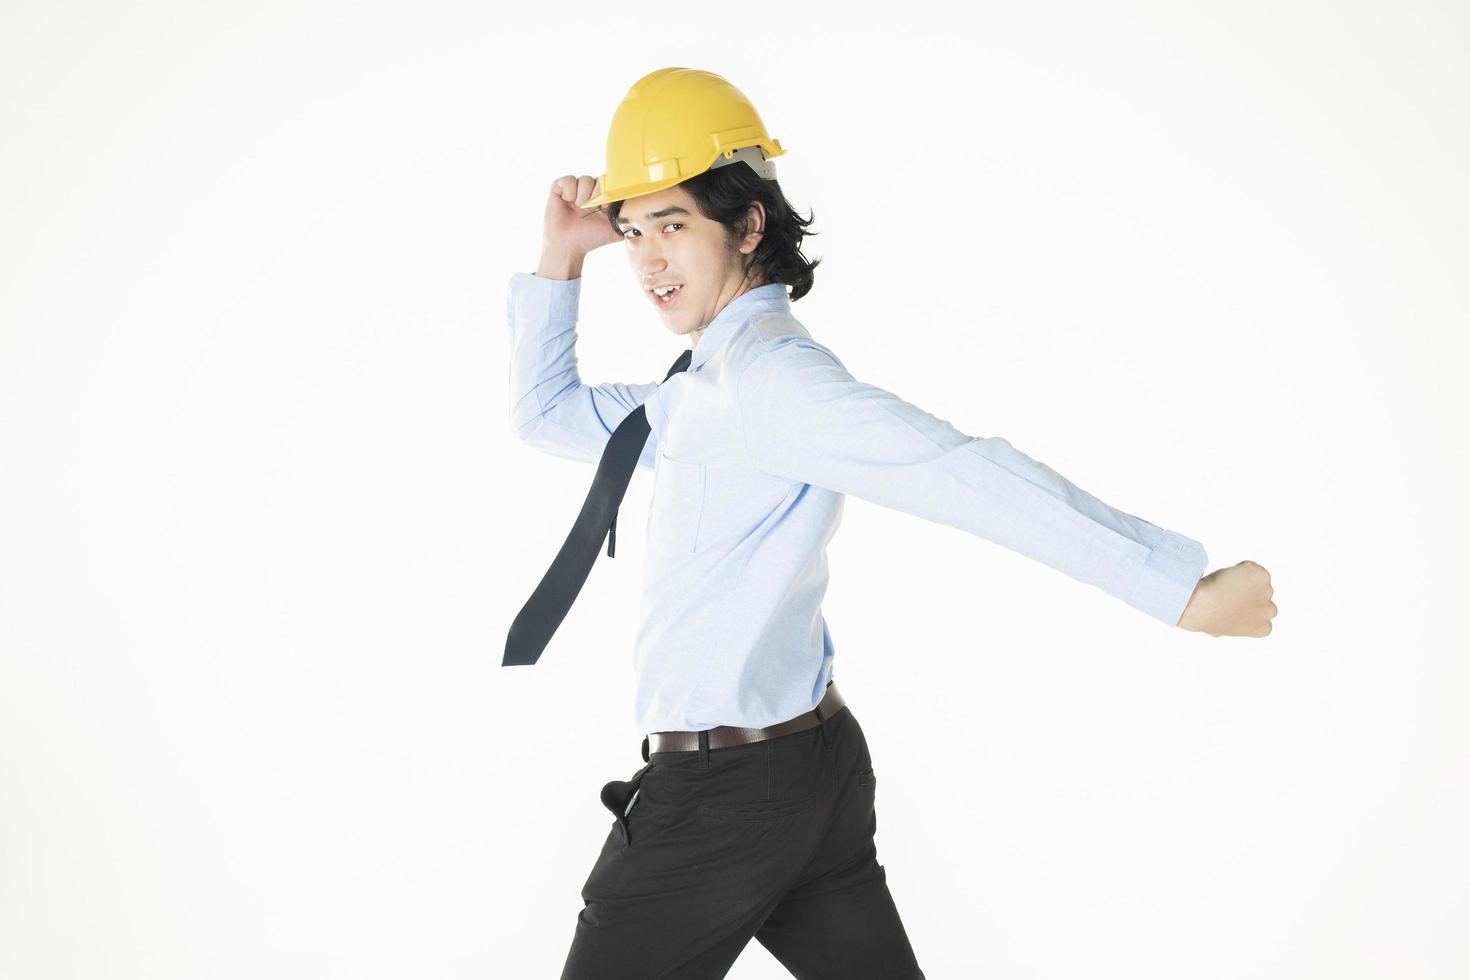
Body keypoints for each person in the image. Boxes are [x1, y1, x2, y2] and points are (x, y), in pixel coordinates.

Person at [507, 67, 1276, 980]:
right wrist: (563, 257)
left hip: (723, 799)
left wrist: (1177, 588)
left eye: (672, 226)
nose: (645, 261)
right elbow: (546, 414)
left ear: (748, 224)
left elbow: (957, 472)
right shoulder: (707, 390)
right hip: (807, 772)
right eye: (633, 232)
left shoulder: (768, 387)